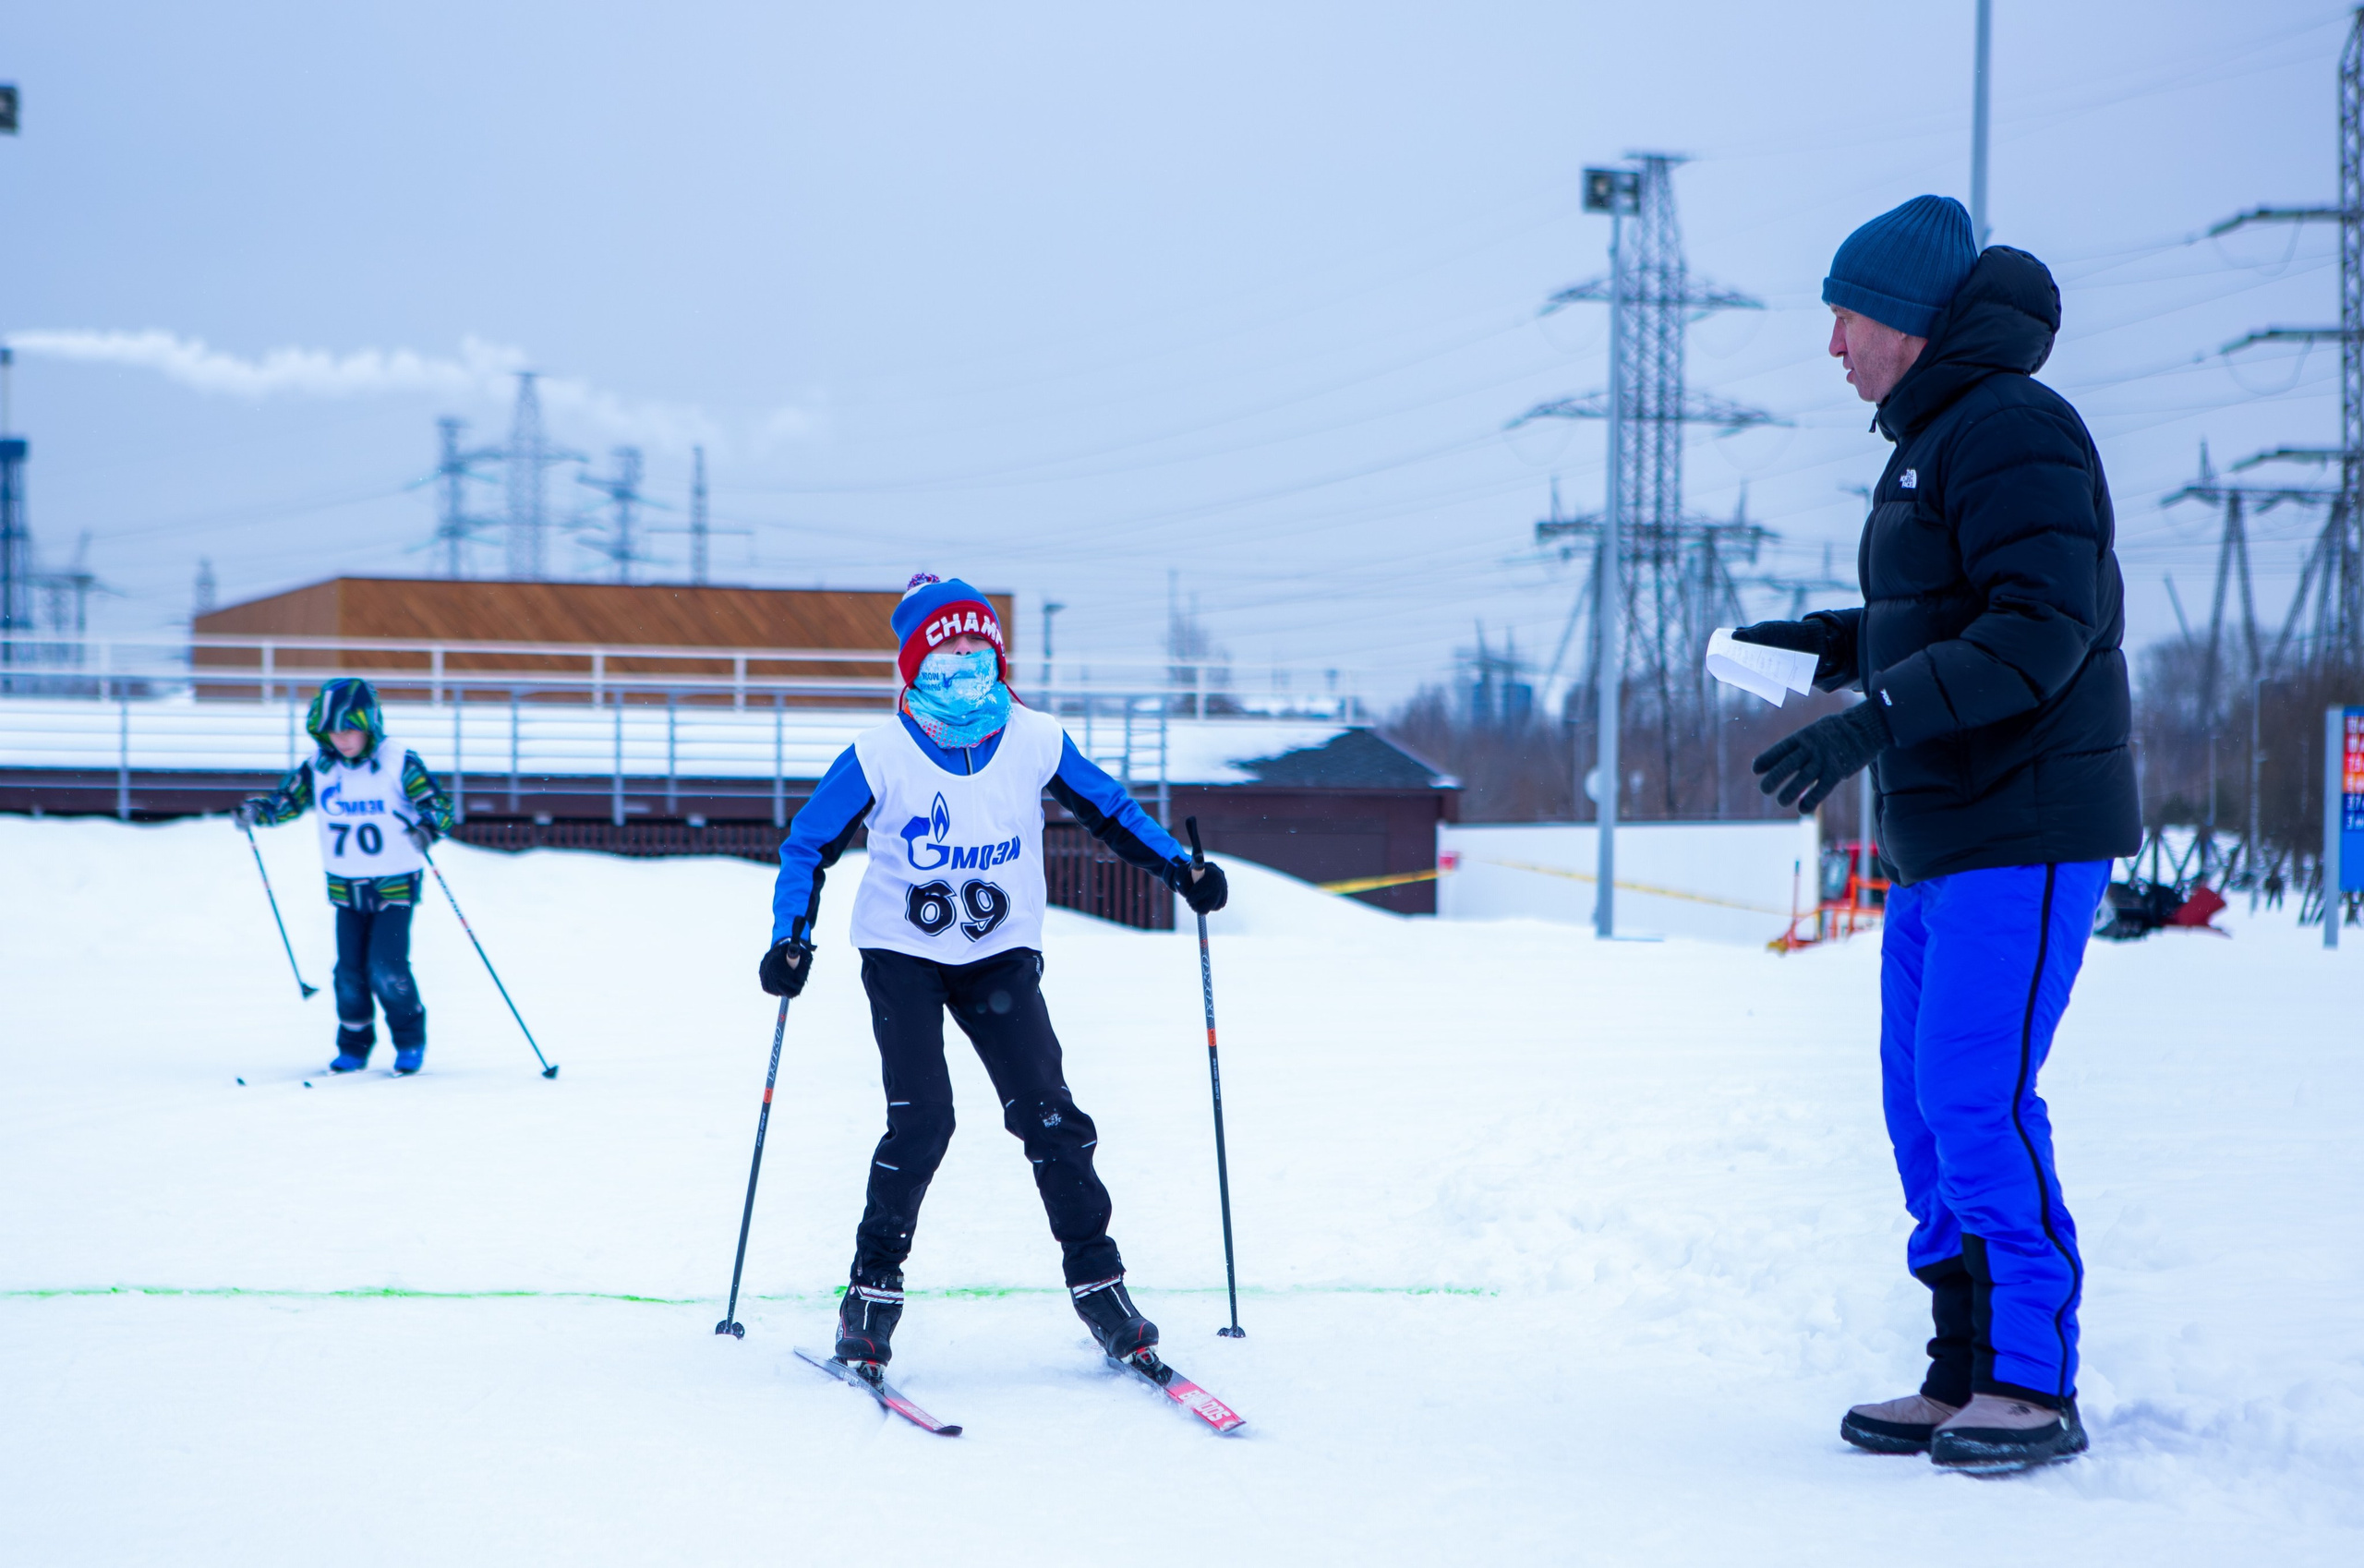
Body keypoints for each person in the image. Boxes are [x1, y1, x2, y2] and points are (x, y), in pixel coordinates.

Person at [1734, 196, 2140, 1472]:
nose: (1833, 345)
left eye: (1845, 317)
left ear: (1905, 321)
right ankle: (1961, 1365)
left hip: (2022, 823)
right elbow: (1954, 610)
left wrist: (1872, 719)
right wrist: (1839, 643)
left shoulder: (2013, 426)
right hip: (1943, 833)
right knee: (1921, 1108)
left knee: (1973, 1094)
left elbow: (2039, 629)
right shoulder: (1938, 437)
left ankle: (2031, 1376)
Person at [759, 573, 1228, 1379]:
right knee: (923, 1123)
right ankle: (870, 1294)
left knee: (1051, 1115)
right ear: (914, 671)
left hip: (1000, 955)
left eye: (978, 663)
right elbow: (807, 844)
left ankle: (1101, 1287)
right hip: (903, 957)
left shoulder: (1035, 739)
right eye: (944, 668)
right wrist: (790, 937)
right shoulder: (879, 754)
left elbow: (1112, 811)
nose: (964, 681)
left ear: (998, 664)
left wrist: (1179, 868)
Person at [235, 678, 456, 1075]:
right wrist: (259, 811)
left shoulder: (399, 761)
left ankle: (409, 1040)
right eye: (333, 731)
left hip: (393, 883)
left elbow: (438, 805)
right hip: (346, 886)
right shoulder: (319, 766)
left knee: (386, 968)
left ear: (369, 724)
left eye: (350, 730)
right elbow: (287, 801)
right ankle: (353, 1044)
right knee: (348, 973)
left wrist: (427, 828)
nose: (342, 739)